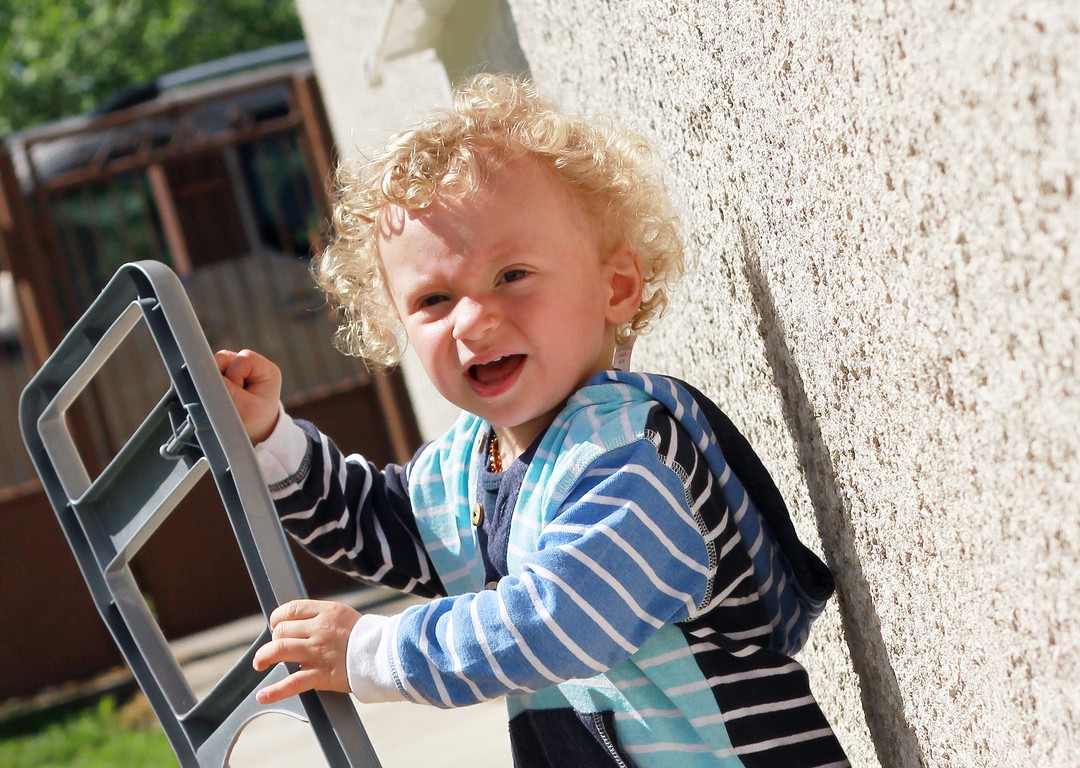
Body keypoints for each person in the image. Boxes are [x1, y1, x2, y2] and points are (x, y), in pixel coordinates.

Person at [216, 73, 849, 767]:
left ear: (615, 288)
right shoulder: (469, 467)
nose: (473, 320)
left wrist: (372, 651)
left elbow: (552, 621)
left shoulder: (632, 456)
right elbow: (376, 522)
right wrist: (269, 436)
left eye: (511, 275)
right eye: (433, 300)